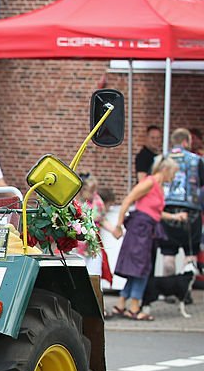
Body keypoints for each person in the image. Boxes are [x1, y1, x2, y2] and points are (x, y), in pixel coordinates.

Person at [113, 157, 181, 321]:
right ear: (165, 170)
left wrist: (174, 216)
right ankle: (134, 306)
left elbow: (155, 212)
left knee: (139, 267)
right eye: (173, 173)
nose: (174, 177)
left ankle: (122, 303)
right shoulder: (149, 182)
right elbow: (128, 200)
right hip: (140, 229)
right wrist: (119, 224)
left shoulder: (159, 187)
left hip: (147, 229)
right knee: (141, 268)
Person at [159, 128, 204, 279]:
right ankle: (185, 294)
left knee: (168, 253)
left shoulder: (162, 159)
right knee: (190, 253)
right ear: (186, 141)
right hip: (191, 212)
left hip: (167, 210)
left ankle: (167, 290)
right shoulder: (196, 160)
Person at [76, 174, 121, 279]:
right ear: (83, 190)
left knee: (95, 274)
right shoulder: (76, 203)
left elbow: (101, 220)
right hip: (78, 246)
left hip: (93, 245)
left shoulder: (97, 202)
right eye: (91, 191)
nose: (94, 194)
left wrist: (114, 230)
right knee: (80, 275)